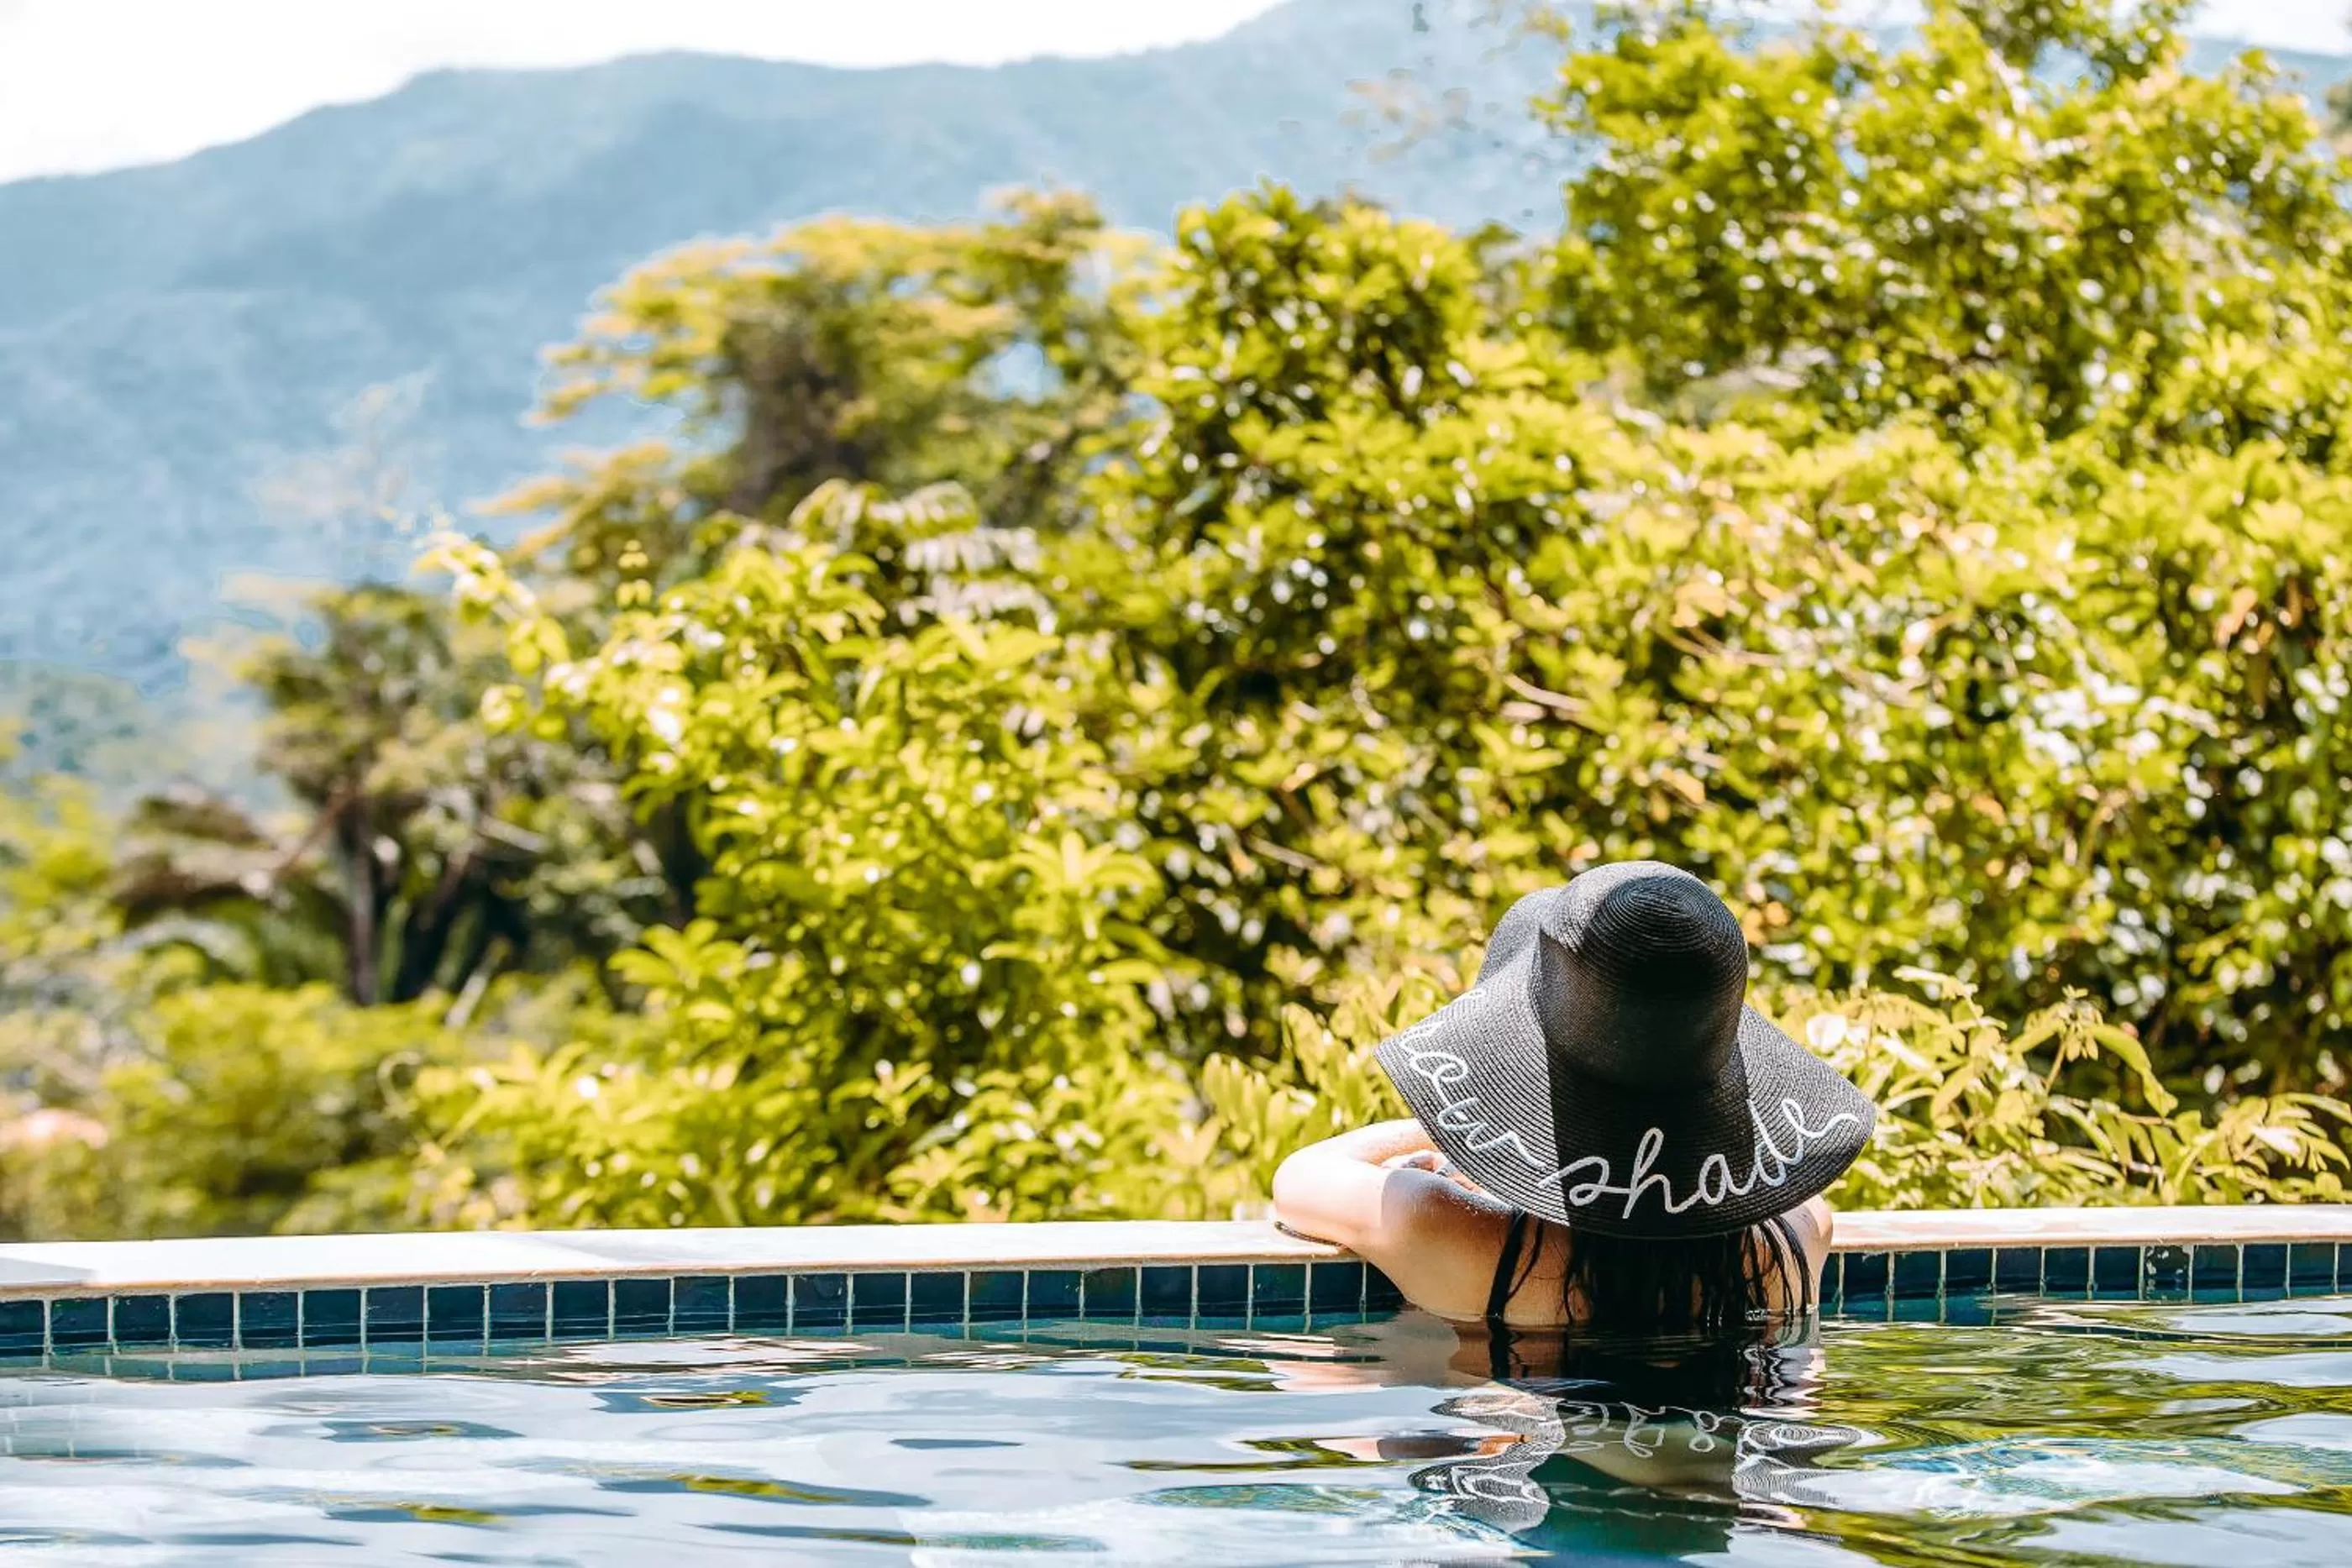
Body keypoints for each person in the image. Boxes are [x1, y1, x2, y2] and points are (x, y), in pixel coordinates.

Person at [1273, 860, 1877, 1340]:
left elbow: (1300, 1178)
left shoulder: (1457, 1234)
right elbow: (1761, 1178)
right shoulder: (1796, 1238)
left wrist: (1466, 1132)